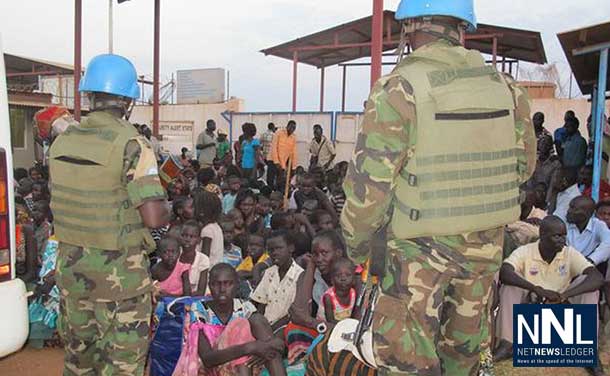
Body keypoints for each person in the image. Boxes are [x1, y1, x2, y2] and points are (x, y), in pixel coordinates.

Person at [332, 1, 537, 374]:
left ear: (410, 27)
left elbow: (370, 189)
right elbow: (524, 167)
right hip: (484, 251)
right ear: (463, 26)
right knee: (465, 359)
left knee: (409, 363)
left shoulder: (399, 88)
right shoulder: (506, 87)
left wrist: (358, 247)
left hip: (417, 256)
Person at [49, 54, 169, 376]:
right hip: (121, 284)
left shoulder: (62, 141)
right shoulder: (132, 143)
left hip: (73, 279)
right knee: (120, 369)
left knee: (78, 365)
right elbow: (154, 218)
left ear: (89, 95)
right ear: (129, 100)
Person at [494, 216, 604, 374]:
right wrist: (536, 289)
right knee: (510, 286)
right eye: (557, 236)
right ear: (543, 234)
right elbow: (505, 272)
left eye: (564, 235)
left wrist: (565, 295)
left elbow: (597, 277)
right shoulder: (525, 251)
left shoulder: (569, 253)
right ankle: (507, 343)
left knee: (589, 285)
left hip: (561, 303)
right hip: (531, 304)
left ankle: (589, 351)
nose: (562, 240)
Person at [187, 263, 286, 376]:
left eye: (228, 284)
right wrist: (249, 348)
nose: (222, 289)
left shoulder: (245, 307)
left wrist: (265, 346)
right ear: (209, 286)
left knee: (257, 320)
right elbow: (207, 359)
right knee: (240, 325)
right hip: (213, 368)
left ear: (237, 285)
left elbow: (264, 336)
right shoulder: (199, 309)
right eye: (216, 284)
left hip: (244, 367)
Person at [286, 230, 345, 364]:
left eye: (324, 253)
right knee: (293, 328)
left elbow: (352, 328)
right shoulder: (309, 276)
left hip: (345, 337)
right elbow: (299, 313)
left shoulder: (351, 278)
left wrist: (310, 321)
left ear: (338, 253)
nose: (319, 259)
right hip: (322, 332)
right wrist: (311, 267)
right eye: (315, 254)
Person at [250, 230, 304, 331]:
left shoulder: (300, 276)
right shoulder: (269, 273)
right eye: (271, 250)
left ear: (291, 248)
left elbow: (292, 313)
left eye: (279, 248)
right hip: (264, 327)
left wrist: (271, 329)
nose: (274, 253)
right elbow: (261, 305)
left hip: (287, 327)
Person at [566, 195, 610, 266]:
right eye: (570, 207)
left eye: (574, 208)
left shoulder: (598, 225)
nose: (569, 211)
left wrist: (590, 260)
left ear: (588, 213)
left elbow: (608, 242)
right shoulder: (564, 224)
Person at [318, 257, 358, 324]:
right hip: (326, 326)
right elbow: (330, 321)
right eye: (338, 275)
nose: (343, 278)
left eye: (348, 275)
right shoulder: (328, 298)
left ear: (354, 279)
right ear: (332, 280)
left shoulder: (353, 293)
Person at [194, 190, 224, 266]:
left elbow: (204, 258)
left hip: (207, 272)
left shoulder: (207, 230)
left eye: (194, 207)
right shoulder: (216, 226)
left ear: (201, 212)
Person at [180, 220, 209, 296]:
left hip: (196, 300)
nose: (187, 240)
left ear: (198, 240)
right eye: (184, 235)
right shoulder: (174, 256)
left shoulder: (203, 259)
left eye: (192, 237)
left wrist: (177, 296)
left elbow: (201, 292)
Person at [271, 120, 297, 190]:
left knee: (281, 180)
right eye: (291, 127)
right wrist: (276, 162)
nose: (292, 129)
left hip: (283, 163)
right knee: (271, 180)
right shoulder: (279, 133)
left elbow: (293, 152)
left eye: (294, 128)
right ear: (287, 126)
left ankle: (280, 195)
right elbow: (274, 147)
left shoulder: (293, 137)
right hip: (273, 161)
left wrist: (294, 167)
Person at [261, 122, 277, 188]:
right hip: (271, 157)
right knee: (271, 173)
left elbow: (260, 144)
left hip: (265, 157)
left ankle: (265, 184)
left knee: (265, 171)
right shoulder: (274, 135)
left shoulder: (263, 134)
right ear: (273, 127)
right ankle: (270, 186)